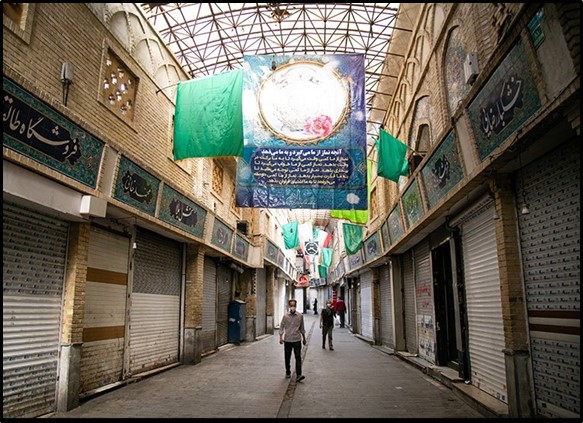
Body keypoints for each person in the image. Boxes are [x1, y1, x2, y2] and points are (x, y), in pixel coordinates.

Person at [279, 299, 307, 382]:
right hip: (287, 340)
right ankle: (288, 371)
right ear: (289, 306)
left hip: (297, 339)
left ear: (296, 306)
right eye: (291, 305)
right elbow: (281, 327)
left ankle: (299, 374)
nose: (292, 307)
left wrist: (304, 338)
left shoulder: (300, 316)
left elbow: (302, 328)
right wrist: (281, 337)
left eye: (294, 305)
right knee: (287, 357)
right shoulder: (285, 316)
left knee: (298, 357)